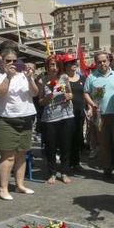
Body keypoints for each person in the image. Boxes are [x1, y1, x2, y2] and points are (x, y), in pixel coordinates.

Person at [0, 48, 38, 200]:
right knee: (8, 156)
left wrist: (31, 79)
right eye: (8, 60)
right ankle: (2, 188)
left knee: (22, 154)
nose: (11, 63)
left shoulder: (24, 75)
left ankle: (20, 185)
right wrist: (8, 78)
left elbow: (35, 93)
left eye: (14, 60)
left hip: (25, 119)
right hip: (5, 120)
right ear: (2, 62)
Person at [84, 51, 114, 181]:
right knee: (104, 143)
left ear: (108, 61)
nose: (102, 64)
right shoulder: (91, 78)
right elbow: (86, 93)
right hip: (100, 115)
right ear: (96, 63)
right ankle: (107, 169)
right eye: (99, 62)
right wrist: (92, 104)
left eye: (104, 61)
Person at [36, 54, 74, 184]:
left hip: (66, 115)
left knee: (65, 145)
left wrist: (68, 96)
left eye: (57, 65)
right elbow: (40, 101)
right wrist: (47, 98)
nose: (55, 67)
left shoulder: (64, 77)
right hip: (50, 118)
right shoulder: (42, 80)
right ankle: (52, 173)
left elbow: (70, 93)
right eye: (52, 65)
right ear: (47, 66)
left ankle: (64, 172)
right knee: (50, 147)